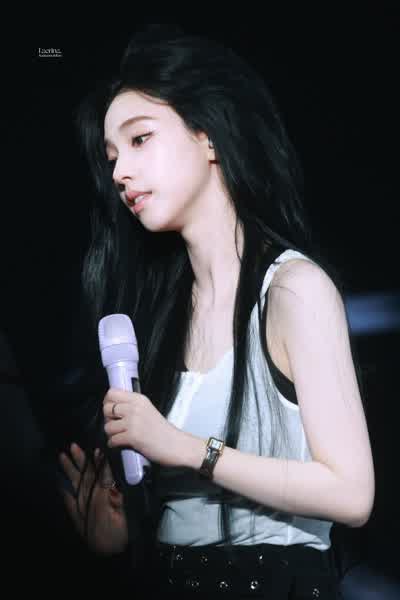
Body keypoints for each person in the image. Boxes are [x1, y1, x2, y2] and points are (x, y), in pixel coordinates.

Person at [58, 24, 375, 599]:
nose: (120, 172)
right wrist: (122, 538)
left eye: (140, 139)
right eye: (111, 158)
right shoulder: (158, 315)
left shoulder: (292, 290)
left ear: (208, 137)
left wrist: (185, 448)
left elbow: (352, 494)